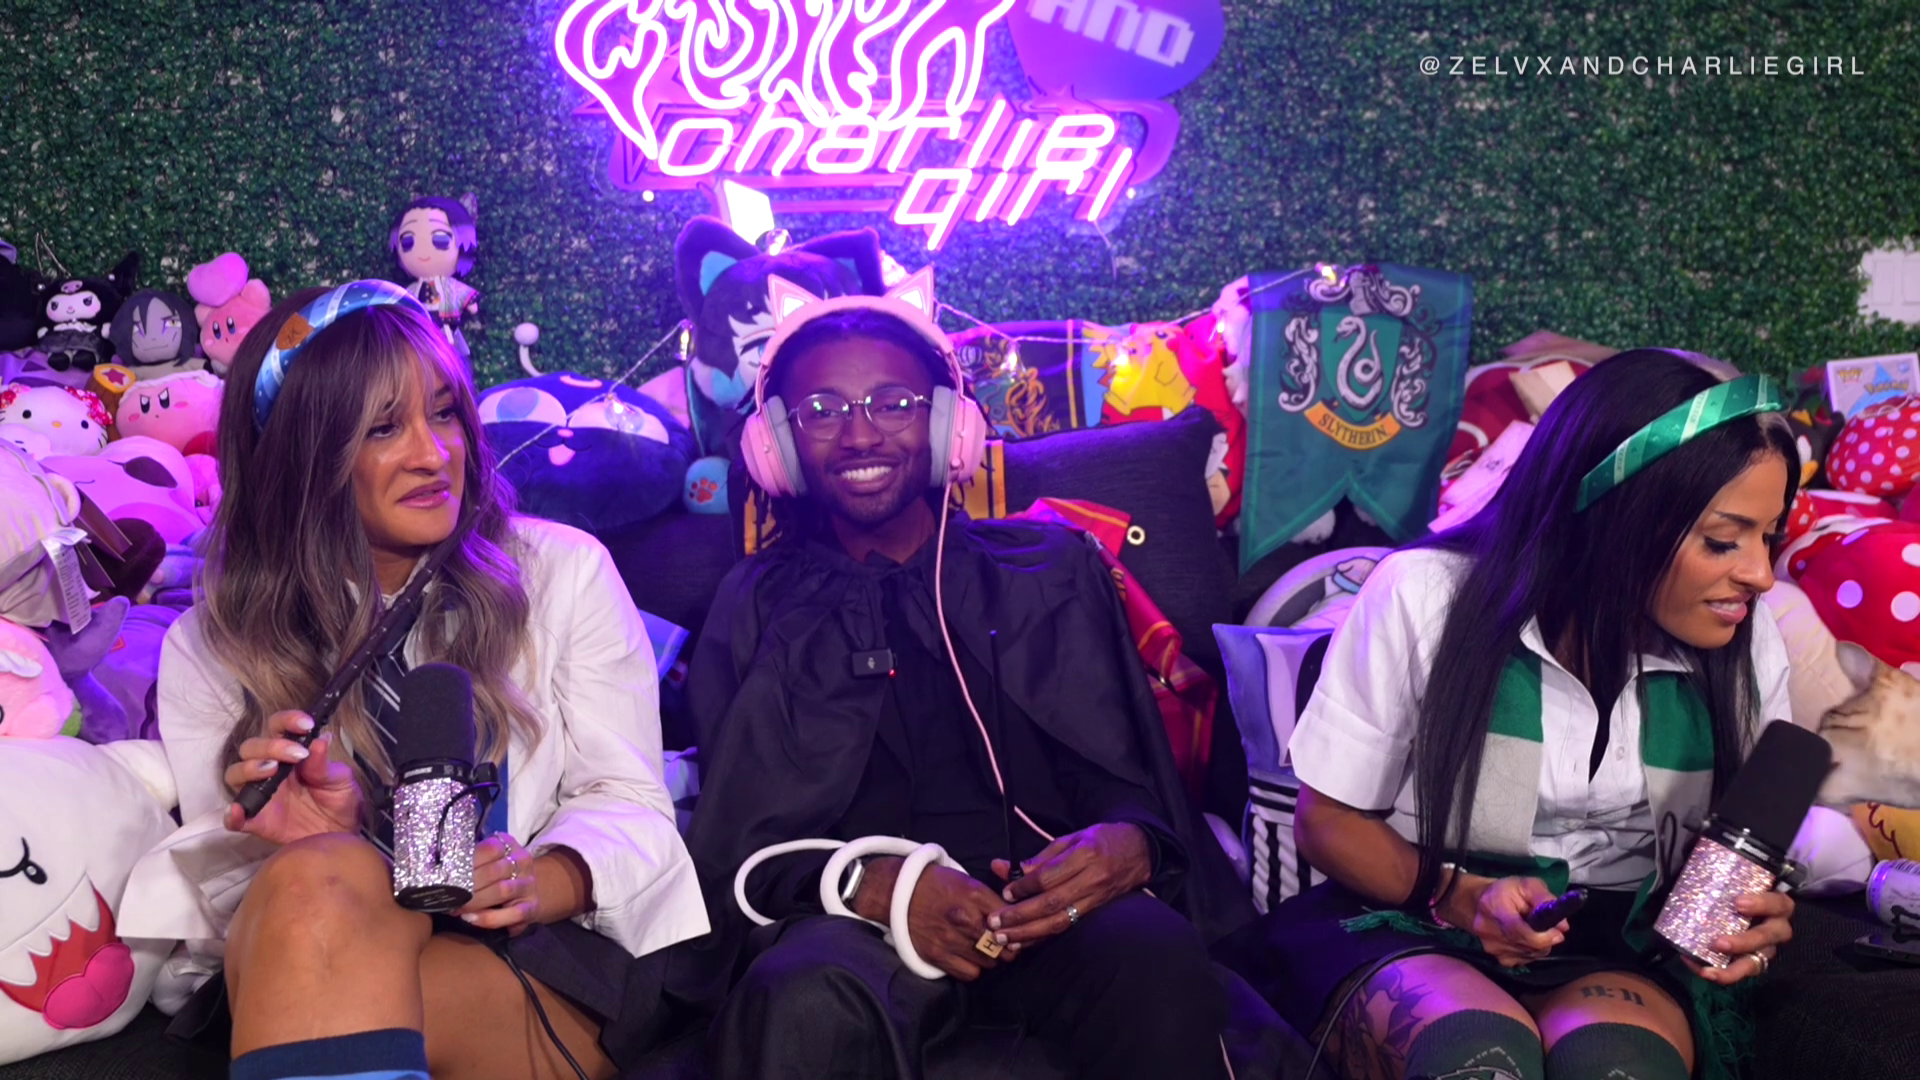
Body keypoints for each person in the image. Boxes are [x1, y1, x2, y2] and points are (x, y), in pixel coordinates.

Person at [120, 281, 707, 1080]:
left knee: (343, 969)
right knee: (320, 884)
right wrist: (318, 838)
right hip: (314, 933)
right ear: (301, 457)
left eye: (445, 413)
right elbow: (237, 912)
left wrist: (546, 878)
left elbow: (630, 799)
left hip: (534, 956)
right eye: (383, 428)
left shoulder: (563, 572)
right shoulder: (214, 643)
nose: (435, 455)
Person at [673, 293, 1254, 1079]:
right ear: (778, 443)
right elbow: (737, 847)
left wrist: (1132, 842)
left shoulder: (1051, 570)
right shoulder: (754, 606)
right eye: (822, 411)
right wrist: (875, 887)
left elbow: (1125, 777)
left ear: (952, 424)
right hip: (852, 931)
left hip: (1050, 914)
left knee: (1152, 957)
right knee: (800, 995)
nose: (860, 435)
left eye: (894, 403)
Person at [1226, 350, 1799, 1080]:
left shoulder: (1749, 642)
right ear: (1616, 518)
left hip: (1620, 942)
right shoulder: (1424, 597)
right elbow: (1327, 823)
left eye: (1768, 536)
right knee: (1479, 1058)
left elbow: (1748, 850)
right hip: (1420, 914)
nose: (1760, 574)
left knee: (1611, 1067)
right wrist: (1459, 897)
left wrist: (1754, 915)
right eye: (1723, 540)